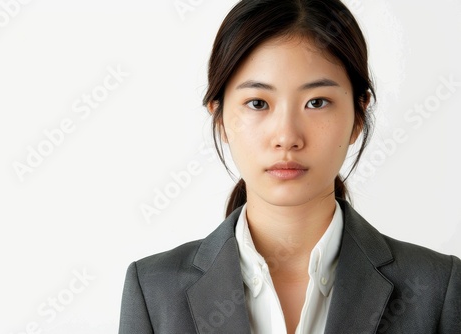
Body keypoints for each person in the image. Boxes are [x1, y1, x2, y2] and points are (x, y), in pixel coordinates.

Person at [118, 0, 461, 333]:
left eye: (316, 102)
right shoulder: (153, 290)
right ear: (219, 117)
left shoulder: (436, 287)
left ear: (358, 115)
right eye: (257, 103)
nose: (287, 136)